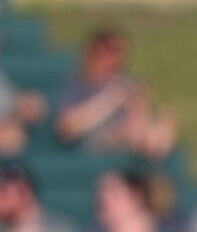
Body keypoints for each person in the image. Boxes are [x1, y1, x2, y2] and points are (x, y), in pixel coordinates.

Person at [53, 27, 178, 158]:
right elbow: (67, 128)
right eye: (107, 52)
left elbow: (140, 137)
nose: (113, 60)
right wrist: (110, 100)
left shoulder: (126, 84)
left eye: (119, 52)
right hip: (87, 157)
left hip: (124, 158)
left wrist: (140, 108)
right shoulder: (75, 86)